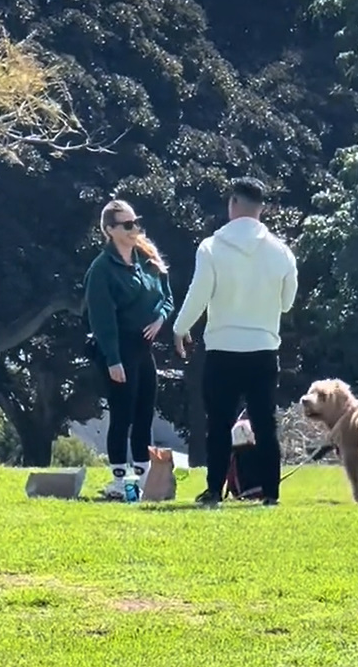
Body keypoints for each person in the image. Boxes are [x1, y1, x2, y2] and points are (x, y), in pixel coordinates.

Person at [172, 177, 298, 507]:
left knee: (219, 423)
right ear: (261, 209)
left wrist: (180, 327)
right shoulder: (281, 251)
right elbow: (287, 302)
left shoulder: (212, 247)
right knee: (264, 423)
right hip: (263, 348)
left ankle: (214, 489)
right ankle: (270, 492)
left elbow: (198, 295)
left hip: (223, 348)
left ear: (232, 204)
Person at [83, 199, 174, 500]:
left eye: (135, 222)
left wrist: (160, 319)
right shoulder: (102, 269)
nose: (134, 228)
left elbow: (167, 297)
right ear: (110, 230)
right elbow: (101, 319)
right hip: (118, 345)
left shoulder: (147, 260)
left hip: (143, 347)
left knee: (145, 409)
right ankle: (119, 478)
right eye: (126, 224)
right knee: (122, 413)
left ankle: (144, 474)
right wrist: (112, 359)